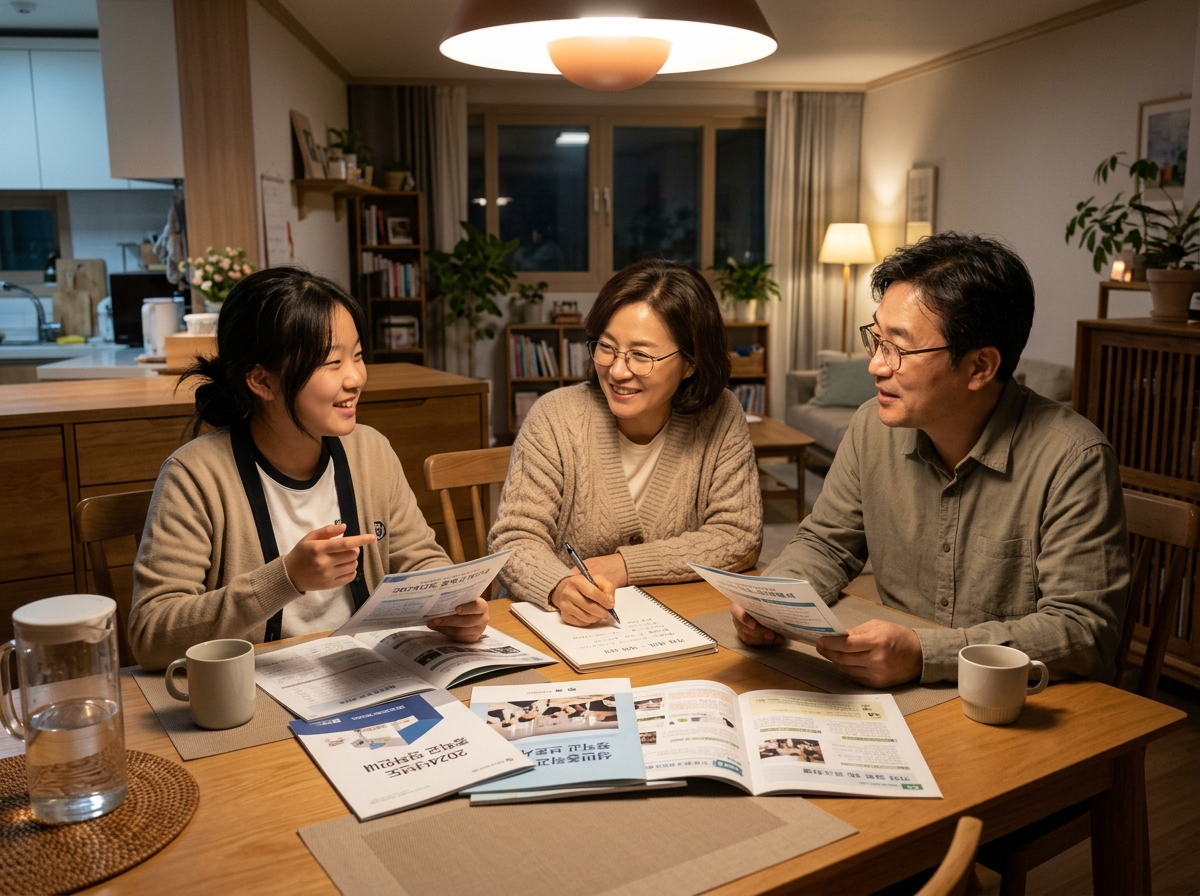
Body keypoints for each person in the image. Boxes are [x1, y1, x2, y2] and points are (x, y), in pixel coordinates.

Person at [733, 232, 1129, 687]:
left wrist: (926, 653)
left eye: (899, 348)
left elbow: (1082, 629)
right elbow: (827, 543)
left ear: (980, 367)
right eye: (876, 340)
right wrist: (774, 601)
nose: (876, 366)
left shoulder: (1073, 459)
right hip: (895, 694)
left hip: (1015, 702)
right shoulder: (871, 428)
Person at [129, 267, 488, 670]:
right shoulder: (195, 475)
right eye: (332, 362)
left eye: (357, 355)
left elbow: (419, 559)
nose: (356, 378)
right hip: (254, 692)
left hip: (369, 677)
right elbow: (151, 634)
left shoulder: (370, 451)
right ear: (262, 381)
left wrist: (452, 605)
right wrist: (287, 577)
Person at [489, 258, 762, 625]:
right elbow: (515, 538)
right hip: (555, 628)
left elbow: (739, 536)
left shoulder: (720, 415)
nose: (617, 370)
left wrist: (624, 566)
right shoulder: (555, 417)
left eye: (641, 355)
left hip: (668, 622)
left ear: (691, 362)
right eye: (607, 347)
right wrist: (557, 585)